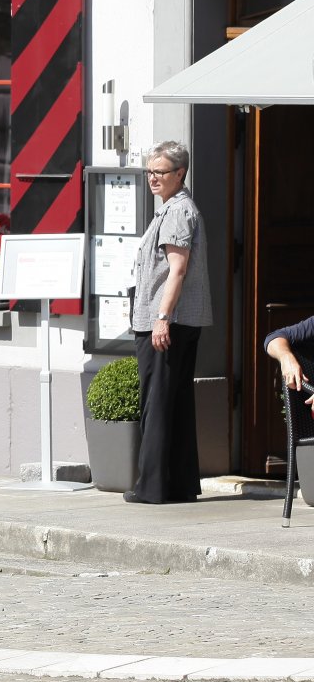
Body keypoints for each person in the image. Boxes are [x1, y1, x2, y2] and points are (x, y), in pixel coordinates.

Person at [127, 141, 211, 505]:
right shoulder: (173, 208)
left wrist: (162, 319)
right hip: (177, 320)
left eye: (160, 172)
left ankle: (153, 487)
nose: (152, 178)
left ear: (180, 173)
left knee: (158, 403)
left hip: (167, 321)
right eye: (150, 171)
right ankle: (179, 485)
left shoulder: (177, 212)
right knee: (174, 402)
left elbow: (177, 270)